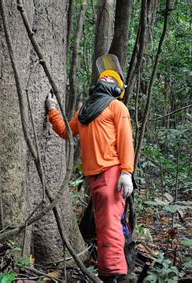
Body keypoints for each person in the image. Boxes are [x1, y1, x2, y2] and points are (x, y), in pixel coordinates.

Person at [46, 54, 134, 282]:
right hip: (100, 178)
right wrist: (52, 110)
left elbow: (125, 141)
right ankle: (111, 272)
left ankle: (112, 275)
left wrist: (126, 173)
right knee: (108, 225)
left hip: (110, 175)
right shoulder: (88, 111)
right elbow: (66, 131)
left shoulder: (111, 108)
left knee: (109, 226)